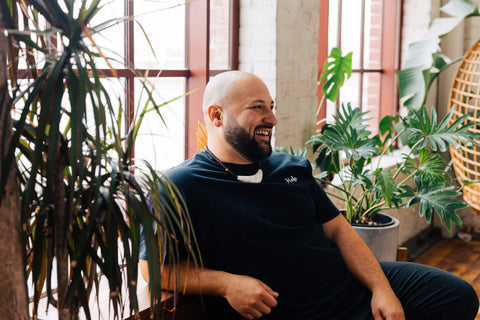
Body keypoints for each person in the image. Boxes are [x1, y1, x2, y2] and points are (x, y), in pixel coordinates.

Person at [139, 70, 479, 320]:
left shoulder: (290, 167)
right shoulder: (178, 186)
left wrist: (381, 289)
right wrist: (227, 284)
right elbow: (152, 270)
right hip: (292, 311)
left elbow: (339, 230)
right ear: (216, 115)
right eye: (258, 108)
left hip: (345, 288)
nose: (271, 118)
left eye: (271, 107)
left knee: (456, 295)